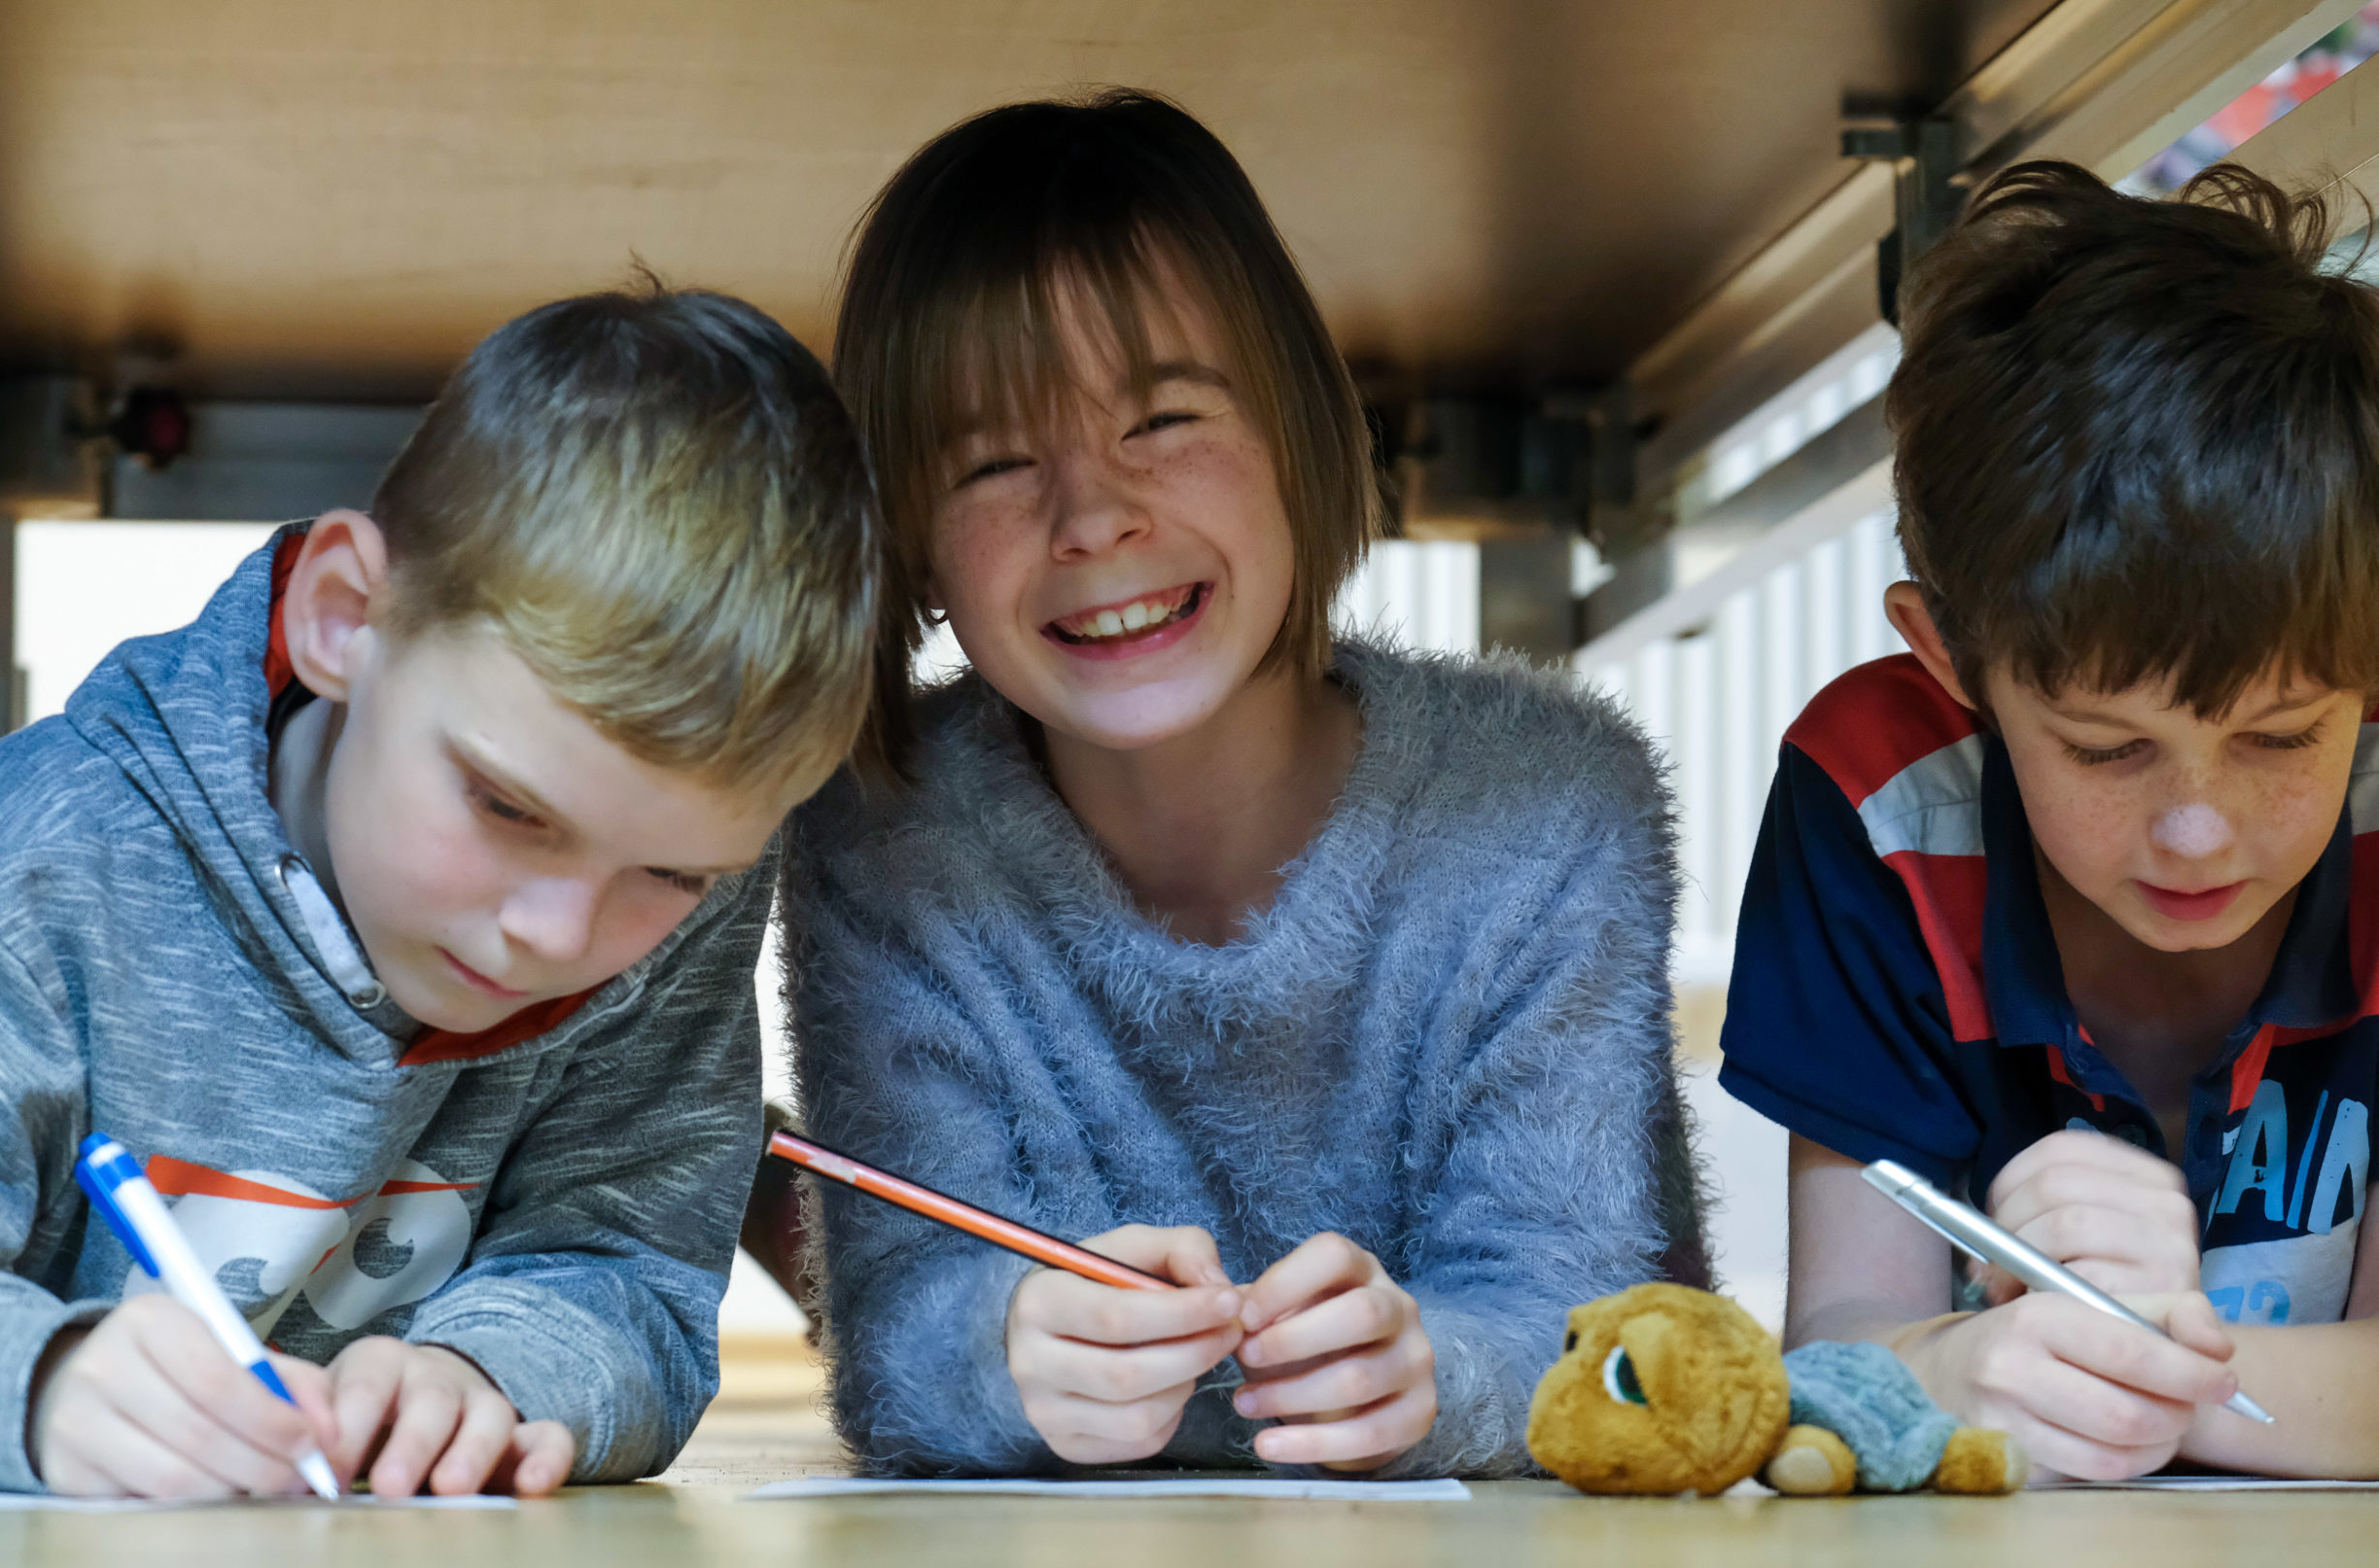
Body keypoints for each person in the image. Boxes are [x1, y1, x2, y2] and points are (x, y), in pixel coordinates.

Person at [784, 89, 1705, 1479]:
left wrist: (1433, 1373)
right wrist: (1008, 1350)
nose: (1093, 516)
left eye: (1161, 418)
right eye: (993, 461)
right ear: (907, 538)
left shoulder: (1552, 807)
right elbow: (903, 1337)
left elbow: (1601, 1340)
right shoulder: (880, 835)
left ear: (1299, 426)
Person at [0, 283, 901, 1498]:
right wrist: (40, 1383)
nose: (558, 934)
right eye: (507, 808)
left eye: (674, 874)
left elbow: (624, 1263)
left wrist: (490, 1376)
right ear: (343, 618)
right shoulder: (28, 866)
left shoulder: (665, 904)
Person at [1722, 161, 2379, 1481]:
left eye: (2281, 735)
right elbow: (1839, 1353)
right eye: (2106, 745)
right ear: (1951, 657)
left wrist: (2130, 1366)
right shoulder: (1880, 805)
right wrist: (1941, 1369)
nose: (2198, 828)